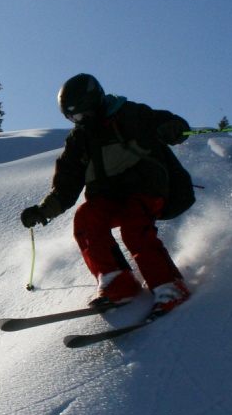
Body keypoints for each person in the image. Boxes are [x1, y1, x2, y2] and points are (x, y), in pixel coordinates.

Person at [20, 73, 191, 315]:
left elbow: (166, 121)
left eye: (83, 114)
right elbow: (67, 184)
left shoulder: (130, 114)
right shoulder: (80, 138)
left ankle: (169, 285)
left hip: (147, 187)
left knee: (134, 227)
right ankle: (118, 282)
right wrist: (43, 211)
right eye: (73, 117)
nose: (80, 120)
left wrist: (174, 128)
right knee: (86, 218)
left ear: (97, 101)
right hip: (109, 197)